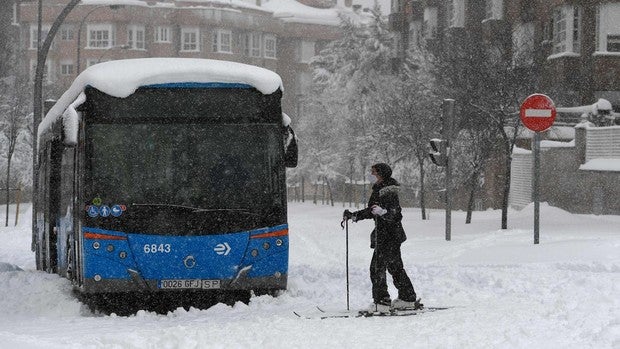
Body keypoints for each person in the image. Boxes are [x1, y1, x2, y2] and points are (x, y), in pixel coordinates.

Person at [343, 163, 421, 313]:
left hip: (388, 236)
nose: (371, 175)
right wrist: (354, 216)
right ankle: (407, 297)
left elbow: (396, 214)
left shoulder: (388, 191)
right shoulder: (380, 188)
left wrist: (384, 212)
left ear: (381, 174)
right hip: (389, 235)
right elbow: (372, 211)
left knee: (377, 268)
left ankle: (382, 301)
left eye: (373, 172)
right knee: (395, 267)